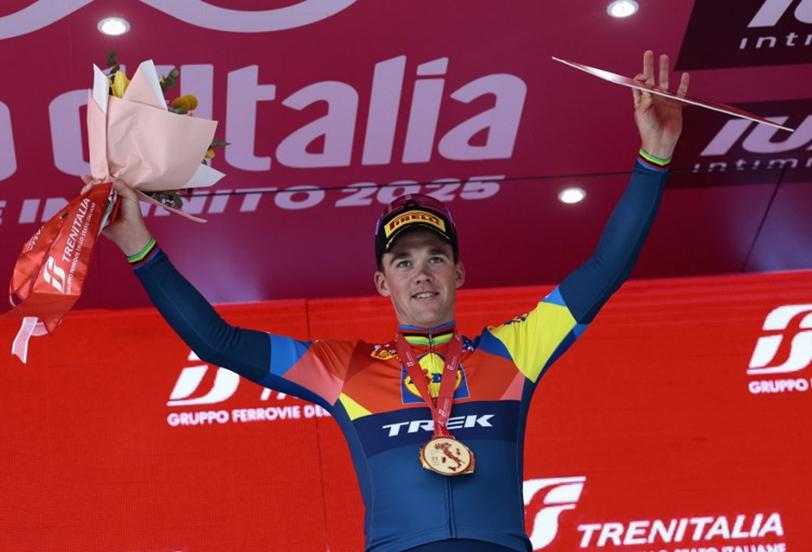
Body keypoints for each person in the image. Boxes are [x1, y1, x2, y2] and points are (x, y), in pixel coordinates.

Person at [84, 51, 689, 552]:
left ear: (459, 273)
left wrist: (653, 158)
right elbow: (217, 342)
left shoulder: (515, 350)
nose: (421, 274)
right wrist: (137, 243)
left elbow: (606, 269)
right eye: (403, 262)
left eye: (434, 258)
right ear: (383, 283)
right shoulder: (345, 368)